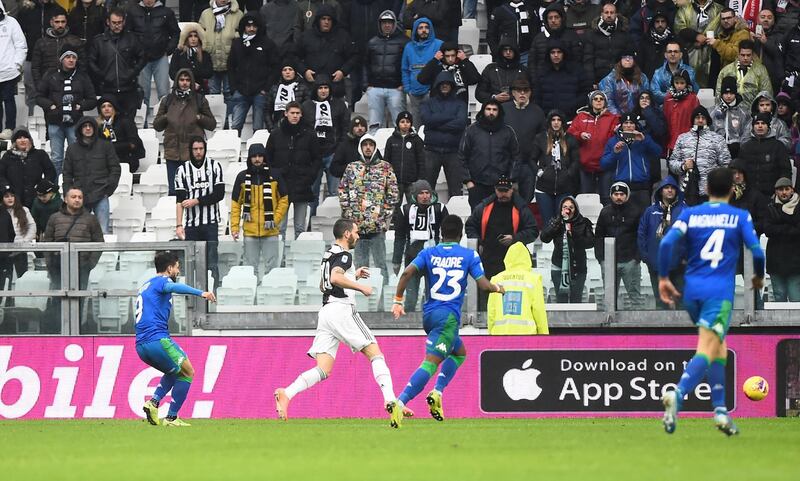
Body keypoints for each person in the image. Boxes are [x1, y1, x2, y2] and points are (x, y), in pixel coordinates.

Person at [659, 167, 765, 436]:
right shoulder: (739, 216)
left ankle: (720, 411)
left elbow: (665, 244)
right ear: (732, 189)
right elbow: (756, 250)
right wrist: (758, 277)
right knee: (707, 347)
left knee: (718, 346)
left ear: (706, 190)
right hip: (719, 294)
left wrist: (662, 277)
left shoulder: (691, 214)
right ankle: (678, 393)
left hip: (692, 293)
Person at [274, 218, 404, 427]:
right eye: (356, 232)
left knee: (323, 369)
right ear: (346, 234)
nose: (358, 236)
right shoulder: (344, 255)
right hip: (342, 310)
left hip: (326, 312)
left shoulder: (329, 253)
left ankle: (286, 393)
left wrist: (353, 275)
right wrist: (360, 287)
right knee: (375, 354)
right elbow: (335, 278)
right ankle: (391, 400)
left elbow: (324, 283)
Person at [392, 214, 505, 421]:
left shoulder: (428, 252)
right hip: (448, 318)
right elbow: (484, 285)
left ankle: (437, 392)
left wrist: (398, 300)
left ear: (441, 234)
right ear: (461, 234)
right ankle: (400, 403)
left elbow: (407, 273)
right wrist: (499, 288)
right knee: (431, 363)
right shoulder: (468, 255)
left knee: (459, 352)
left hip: (430, 315)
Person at [138, 250, 217, 427]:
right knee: (188, 371)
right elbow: (173, 287)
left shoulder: (146, 284)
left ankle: (154, 402)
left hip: (141, 345)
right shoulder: (163, 281)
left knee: (175, 371)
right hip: (157, 339)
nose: (178, 272)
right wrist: (200, 293)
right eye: (177, 268)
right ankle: (172, 418)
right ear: (169, 268)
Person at [465, 176, 538, 309]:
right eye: (500, 190)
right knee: (486, 296)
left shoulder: (521, 207)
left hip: (513, 262)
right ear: (495, 190)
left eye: (506, 190)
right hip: (488, 259)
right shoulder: (484, 206)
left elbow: (533, 230)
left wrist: (514, 238)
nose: (503, 194)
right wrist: (478, 243)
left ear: (512, 190)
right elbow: (470, 225)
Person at [338, 134, 398, 275]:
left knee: (380, 264)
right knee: (360, 265)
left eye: (371, 145)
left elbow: (393, 193)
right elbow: (342, 190)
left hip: (377, 226)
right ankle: (362, 294)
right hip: (357, 226)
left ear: (375, 147)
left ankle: (382, 295)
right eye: (365, 145)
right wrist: (349, 213)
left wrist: (384, 217)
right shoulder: (352, 167)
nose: (368, 148)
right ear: (360, 147)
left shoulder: (385, 167)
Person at [153, 68, 217, 196]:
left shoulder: (199, 99)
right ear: (177, 81)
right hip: (172, 152)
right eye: (182, 80)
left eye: (188, 80)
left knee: (193, 191)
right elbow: (157, 126)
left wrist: (199, 117)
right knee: (174, 192)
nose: (184, 83)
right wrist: (167, 116)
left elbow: (212, 124)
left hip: (192, 153)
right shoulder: (167, 100)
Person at [230, 144, 288, 280]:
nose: (257, 159)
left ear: (264, 157)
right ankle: (252, 298)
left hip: (271, 230)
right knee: (250, 269)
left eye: (260, 156)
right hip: (250, 232)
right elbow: (235, 204)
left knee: (272, 269)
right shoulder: (242, 177)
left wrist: (275, 218)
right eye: (254, 156)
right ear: (249, 158)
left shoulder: (275, 175)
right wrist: (234, 227)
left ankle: (271, 296)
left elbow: (284, 199)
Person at [35, 48, 96, 175]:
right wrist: (50, 106)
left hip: (75, 123)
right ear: (61, 59)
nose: (71, 60)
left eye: (74, 57)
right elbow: (39, 96)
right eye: (68, 57)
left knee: (77, 158)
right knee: (56, 158)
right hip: (55, 122)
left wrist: (80, 106)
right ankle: (55, 190)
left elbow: (92, 99)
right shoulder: (50, 74)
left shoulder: (82, 76)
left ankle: (77, 189)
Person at [265, 101, 320, 239]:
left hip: (302, 185)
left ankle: (298, 260)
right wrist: (275, 177)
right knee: (280, 228)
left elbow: (317, 159)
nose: (295, 116)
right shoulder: (275, 134)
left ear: (301, 114)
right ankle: (280, 259)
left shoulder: (310, 134)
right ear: (285, 113)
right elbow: (268, 158)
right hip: (281, 186)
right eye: (292, 113)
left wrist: (309, 178)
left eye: (297, 113)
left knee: (300, 229)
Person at [175, 136, 225, 285]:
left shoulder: (215, 166)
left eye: (201, 149)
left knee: (211, 261)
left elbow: (219, 194)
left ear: (205, 149)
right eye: (195, 149)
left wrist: (196, 201)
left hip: (210, 223)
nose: (198, 152)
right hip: (191, 224)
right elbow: (179, 200)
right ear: (191, 150)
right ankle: (193, 293)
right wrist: (179, 225)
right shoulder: (182, 170)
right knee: (192, 261)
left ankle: (213, 291)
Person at [392, 179, 447, 312]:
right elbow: (399, 237)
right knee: (411, 295)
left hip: (434, 258)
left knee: (433, 293)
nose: (425, 196)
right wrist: (396, 260)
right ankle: (409, 320)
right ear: (415, 195)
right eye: (421, 193)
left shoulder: (440, 208)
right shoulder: (405, 210)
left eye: (427, 193)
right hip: (413, 257)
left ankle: (432, 318)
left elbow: (447, 233)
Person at [62, 117, 121, 233]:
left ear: (95, 129)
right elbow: (67, 174)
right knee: (79, 232)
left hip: (101, 193)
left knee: (103, 231)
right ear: (80, 129)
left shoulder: (106, 146)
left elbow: (115, 168)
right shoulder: (72, 149)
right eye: (85, 126)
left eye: (90, 126)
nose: (88, 128)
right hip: (79, 196)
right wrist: (68, 193)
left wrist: (108, 189)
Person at [128, 0, 180, 127]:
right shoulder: (132, 11)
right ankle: (142, 124)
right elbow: (128, 34)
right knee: (142, 94)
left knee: (164, 93)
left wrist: (168, 50)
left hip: (160, 57)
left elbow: (175, 32)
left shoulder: (166, 12)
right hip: (141, 59)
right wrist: (134, 52)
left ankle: (166, 124)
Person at [460, 100, 521, 209]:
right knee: (478, 220)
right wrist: (468, 181)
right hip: (477, 184)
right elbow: (462, 156)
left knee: (500, 220)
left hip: (501, 185)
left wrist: (511, 180)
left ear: (499, 112)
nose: (491, 112)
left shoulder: (508, 131)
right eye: (488, 109)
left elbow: (516, 157)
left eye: (494, 109)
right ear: (483, 111)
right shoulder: (471, 131)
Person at [637, 176, 686, 309]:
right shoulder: (650, 211)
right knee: (661, 303)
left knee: (681, 302)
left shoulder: (684, 211)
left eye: (672, 188)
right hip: (656, 264)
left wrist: (686, 257)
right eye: (666, 188)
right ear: (660, 191)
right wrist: (646, 257)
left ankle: (684, 329)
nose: (670, 190)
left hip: (679, 265)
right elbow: (641, 234)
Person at [301, 75, 348, 214]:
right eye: (320, 88)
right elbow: (303, 129)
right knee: (312, 193)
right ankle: (309, 224)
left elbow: (345, 128)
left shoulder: (339, 105)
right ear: (315, 89)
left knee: (334, 193)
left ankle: (335, 224)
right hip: (313, 155)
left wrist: (339, 149)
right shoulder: (306, 106)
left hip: (332, 153)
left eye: (326, 88)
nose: (323, 91)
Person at [42, 187, 103, 293]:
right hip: (58, 266)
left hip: (82, 266)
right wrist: (50, 264)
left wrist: (89, 264)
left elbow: (99, 243)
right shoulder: (54, 218)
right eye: (73, 197)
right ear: (66, 199)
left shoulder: (91, 219)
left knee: (79, 299)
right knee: (58, 299)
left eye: (80, 197)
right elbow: (47, 243)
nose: (77, 200)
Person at [87, 8, 146, 118]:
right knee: (109, 125)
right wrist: (102, 76)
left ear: (124, 22)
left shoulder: (132, 38)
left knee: (128, 125)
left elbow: (143, 57)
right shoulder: (99, 41)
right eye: (114, 23)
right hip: (108, 88)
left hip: (129, 88)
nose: (117, 25)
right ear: (108, 22)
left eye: (119, 22)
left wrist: (133, 72)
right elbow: (91, 61)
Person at [595, 182, 644, 310]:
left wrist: (636, 259)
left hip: (630, 261)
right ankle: (610, 328)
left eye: (622, 194)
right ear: (611, 196)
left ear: (627, 196)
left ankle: (639, 327)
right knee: (610, 299)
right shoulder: (605, 212)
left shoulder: (636, 211)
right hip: (609, 262)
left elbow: (641, 236)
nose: (618, 197)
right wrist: (601, 259)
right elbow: (598, 237)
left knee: (635, 298)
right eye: (616, 194)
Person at [669, 106, 731, 205]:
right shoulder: (682, 138)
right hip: (687, 191)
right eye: (697, 118)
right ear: (693, 120)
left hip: (709, 192)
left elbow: (726, 164)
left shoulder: (717, 139)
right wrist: (683, 166)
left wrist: (716, 181)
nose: (700, 120)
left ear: (707, 120)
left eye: (703, 118)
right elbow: (672, 163)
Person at [420, 71, 468, 200]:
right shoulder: (427, 103)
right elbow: (426, 120)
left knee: (456, 191)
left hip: (453, 152)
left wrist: (436, 123)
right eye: (442, 84)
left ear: (452, 85)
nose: (445, 86)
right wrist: (450, 118)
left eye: (447, 84)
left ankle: (455, 216)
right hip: (431, 151)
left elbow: (461, 123)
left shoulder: (460, 104)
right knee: (427, 189)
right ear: (437, 85)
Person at [227, 13, 278, 133]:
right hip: (240, 91)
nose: (251, 29)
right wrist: (234, 88)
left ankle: (258, 151)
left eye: (254, 26)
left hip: (260, 92)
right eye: (248, 26)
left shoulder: (267, 44)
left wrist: (266, 87)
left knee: (258, 127)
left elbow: (276, 67)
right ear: (244, 27)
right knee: (235, 127)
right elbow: (230, 66)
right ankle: (234, 150)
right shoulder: (237, 43)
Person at [601, 112, 661, 212]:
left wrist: (644, 140)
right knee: (623, 220)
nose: (629, 125)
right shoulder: (613, 141)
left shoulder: (644, 138)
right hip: (621, 188)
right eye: (626, 123)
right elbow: (603, 164)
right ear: (621, 125)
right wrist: (614, 153)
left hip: (642, 186)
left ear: (636, 125)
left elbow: (658, 152)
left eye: (631, 123)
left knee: (643, 218)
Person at [540, 196, 595, 303]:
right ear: (561, 209)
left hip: (578, 266)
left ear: (575, 209)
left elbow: (590, 242)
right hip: (559, 265)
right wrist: (555, 225)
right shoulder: (556, 222)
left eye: (571, 207)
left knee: (576, 299)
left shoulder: (583, 222)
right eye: (565, 207)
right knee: (561, 300)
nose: (568, 209)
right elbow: (544, 238)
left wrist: (573, 234)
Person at [294, 5, 356, 99]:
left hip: (335, 87)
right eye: (323, 19)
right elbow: (294, 56)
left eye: (329, 19)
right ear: (318, 20)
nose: (326, 22)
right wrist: (304, 71)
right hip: (311, 87)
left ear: (333, 21)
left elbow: (354, 56)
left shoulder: (343, 36)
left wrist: (343, 71)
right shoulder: (306, 36)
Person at [568, 90, 618, 206]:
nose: (599, 101)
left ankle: (606, 222)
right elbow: (570, 133)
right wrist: (580, 135)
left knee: (606, 197)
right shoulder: (581, 117)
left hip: (605, 165)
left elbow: (614, 137)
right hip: (585, 165)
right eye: (596, 99)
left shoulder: (612, 118)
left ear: (605, 102)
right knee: (586, 197)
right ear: (591, 101)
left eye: (601, 99)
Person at [486, 241, 548, 333]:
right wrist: (544, 338)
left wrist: (491, 334)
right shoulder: (533, 279)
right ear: (527, 258)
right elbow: (539, 312)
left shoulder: (496, 279)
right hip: (527, 336)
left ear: (507, 258)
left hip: (500, 335)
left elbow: (491, 312)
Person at [532, 109, 580, 228]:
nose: (556, 122)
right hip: (544, 188)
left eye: (559, 120)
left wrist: (568, 174)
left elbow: (576, 161)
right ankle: (548, 246)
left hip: (564, 188)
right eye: (553, 120)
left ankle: (562, 246)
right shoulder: (540, 138)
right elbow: (531, 159)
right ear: (549, 122)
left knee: (563, 222)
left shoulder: (570, 139)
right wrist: (539, 172)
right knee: (548, 224)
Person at [364, 10, 408, 132]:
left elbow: (407, 64)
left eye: (389, 22)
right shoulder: (372, 42)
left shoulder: (404, 42)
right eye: (384, 23)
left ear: (394, 24)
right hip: (375, 89)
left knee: (399, 124)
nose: (387, 25)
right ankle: (374, 149)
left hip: (396, 89)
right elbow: (365, 65)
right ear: (380, 24)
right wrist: (366, 85)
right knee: (374, 124)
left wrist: (403, 84)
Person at [502, 77, 544, 203]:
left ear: (530, 93)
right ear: (512, 93)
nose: (522, 93)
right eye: (518, 90)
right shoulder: (503, 110)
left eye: (525, 90)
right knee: (506, 199)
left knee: (527, 199)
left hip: (528, 164)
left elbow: (543, 139)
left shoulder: (537, 111)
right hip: (507, 164)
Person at [198, 0, 243, 113]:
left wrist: (233, 35)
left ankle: (229, 121)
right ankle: (215, 120)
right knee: (213, 93)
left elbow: (243, 35)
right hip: (211, 59)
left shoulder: (238, 14)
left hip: (230, 61)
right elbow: (200, 34)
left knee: (229, 92)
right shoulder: (206, 13)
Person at [738, 112, 793, 200]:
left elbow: (785, 170)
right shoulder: (745, 147)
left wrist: (781, 190)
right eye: (757, 123)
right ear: (753, 126)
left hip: (772, 195)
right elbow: (740, 171)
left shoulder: (778, 146)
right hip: (749, 195)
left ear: (768, 126)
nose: (760, 126)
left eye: (763, 123)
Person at [533, 40, 590, 121]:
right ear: (548, 55)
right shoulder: (542, 73)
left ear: (564, 53)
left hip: (572, 117)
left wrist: (574, 105)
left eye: (559, 52)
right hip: (548, 119)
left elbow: (585, 92)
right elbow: (537, 96)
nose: (556, 55)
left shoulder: (576, 71)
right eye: (552, 52)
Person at [763, 177, 800, 302]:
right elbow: (767, 229)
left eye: (786, 189)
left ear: (792, 190)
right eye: (780, 189)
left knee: (796, 298)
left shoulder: (798, 207)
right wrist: (789, 228)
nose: (784, 192)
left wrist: (778, 228)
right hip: (775, 261)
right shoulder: (770, 207)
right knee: (779, 298)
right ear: (776, 191)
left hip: (795, 261)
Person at [0, 129, 56, 209]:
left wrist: (42, 186)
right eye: (19, 138)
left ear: (30, 140)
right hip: (14, 199)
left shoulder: (40, 154)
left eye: (25, 137)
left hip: (36, 199)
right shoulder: (7, 156)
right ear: (14, 142)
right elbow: (1, 175)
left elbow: (51, 172)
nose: (22, 140)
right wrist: (8, 188)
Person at [401, 17, 443, 123]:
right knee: (415, 124)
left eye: (426, 27)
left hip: (431, 92)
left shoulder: (439, 45)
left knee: (431, 123)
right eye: (420, 28)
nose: (424, 30)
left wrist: (434, 89)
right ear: (415, 30)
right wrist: (408, 89)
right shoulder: (408, 47)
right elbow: (405, 69)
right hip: (414, 93)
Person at [527, 3, 582, 81]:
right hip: (543, 83)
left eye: (556, 17)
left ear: (562, 18)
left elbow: (577, 62)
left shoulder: (572, 37)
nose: (553, 20)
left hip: (567, 82)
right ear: (546, 20)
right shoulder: (538, 38)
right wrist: (535, 81)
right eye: (550, 18)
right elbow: (532, 64)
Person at [673, 0, 722, 88]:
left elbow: (723, 30)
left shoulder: (718, 9)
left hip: (713, 54)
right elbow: (679, 28)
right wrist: (695, 36)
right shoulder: (684, 9)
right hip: (690, 53)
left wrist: (705, 40)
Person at [29, 11, 83, 89]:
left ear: (66, 22)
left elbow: (82, 64)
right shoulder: (41, 42)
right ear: (51, 23)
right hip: (47, 84)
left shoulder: (75, 41)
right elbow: (35, 67)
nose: (60, 25)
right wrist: (39, 85)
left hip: (70, 83)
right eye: (57, 22)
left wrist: (78, 83)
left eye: (63, 22)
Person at [583, 3, 632, 86]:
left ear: (616, 14)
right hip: (599, 79)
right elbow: (588, 60)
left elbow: (629, 57)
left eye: (612, 12)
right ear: (602, 14)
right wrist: (591, 82)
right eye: (606, 12)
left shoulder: (624, 33)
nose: (609, 15)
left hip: (620, 79)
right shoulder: (592, 34)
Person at [715, 40, 771, 112]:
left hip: (753, 113)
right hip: (730, 112)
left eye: (748, 55)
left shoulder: (760, 70)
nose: (745, 58)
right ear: (738, 54)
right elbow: (718, 93)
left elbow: (766, 93)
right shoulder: (726, 71)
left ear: (753, 54)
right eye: (742, 55)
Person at [383, 111, 425, 204]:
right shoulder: (391, 140)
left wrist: (420, 178)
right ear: (398, 123)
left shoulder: (417, 140)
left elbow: (421, 161)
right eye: (402, 121)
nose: (405, 124)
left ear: (411, 124)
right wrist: (388, 177)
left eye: (407, 122)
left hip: (412, 181)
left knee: (413, 206)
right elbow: (386, 161)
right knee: (395, 208)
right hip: (395, 181)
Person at [96, 96, 145, 174]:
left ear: (114, 108)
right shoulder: (98, 125)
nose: (106, 109)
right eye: (103, 107)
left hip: (127, 158)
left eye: (109, 106)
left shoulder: (125, 121)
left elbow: (133, 143)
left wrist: (111, 147)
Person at [475, 36, 526, 105]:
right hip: (494, 107)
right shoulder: (490, 69)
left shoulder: (523, 70)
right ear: (501, 51)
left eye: (511, 50)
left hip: (517, 107)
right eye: (505, 50)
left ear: (515, 51)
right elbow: (479, 93)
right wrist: (494, 97)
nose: (508, 52)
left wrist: (513, 97)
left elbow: (530, 92)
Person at [0, 5, 26, 140]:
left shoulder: (11, 22)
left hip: (9, 72)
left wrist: (16, 65)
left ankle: (10, 128)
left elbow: (21, 45)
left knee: (9, 100)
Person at [598, 51, 651, 115]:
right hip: (616, 118)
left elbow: (646, 97)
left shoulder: (642, 77)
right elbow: (608, 102)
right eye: (624, 57)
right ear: (620, 60)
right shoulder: (610, 79)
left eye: (630, 57)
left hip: (639, 116)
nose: (628, 59)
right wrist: (620, 118)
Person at [710, 76, 750, 158]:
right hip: (717, 150)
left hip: (737, 151)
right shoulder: (713, 112)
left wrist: (740, 146)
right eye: (726, 93)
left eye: (731, 93)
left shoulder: (743, 113)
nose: (728, 96)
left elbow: (747, 132)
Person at [650, 40, 700, 105]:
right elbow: (655, 93)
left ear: (680, 55)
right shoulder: (658, 73)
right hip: (663, 110)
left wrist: (673, 95)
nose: (672, 54)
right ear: (665, 55)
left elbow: (694, 92)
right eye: (670, 51)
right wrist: (674, 95)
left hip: (685, 108)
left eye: (675, 52)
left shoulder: (689, 71)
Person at [168, 22, 214, 94]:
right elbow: (172, 73)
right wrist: (188, 82)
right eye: (190, 36)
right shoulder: (178, 53)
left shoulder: (205, 54)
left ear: (199, 38)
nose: (193, 39)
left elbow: (209, 72)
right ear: (186, 38)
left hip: (200, 89)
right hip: (181, 89)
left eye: (196, 36)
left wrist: (191, 73)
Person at [265, 63, 311, 132]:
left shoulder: (303, 88)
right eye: (284, 70)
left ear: (295, 72)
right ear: (281, 73)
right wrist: (271, 128)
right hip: (278, 128)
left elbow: (308, 110)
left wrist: (303, 127)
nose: (287, 72)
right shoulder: (274, 88)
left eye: (290, 69)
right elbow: (267, 110)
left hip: (298, 128)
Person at [663, 69, 699, 152]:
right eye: (676, 83)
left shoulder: (693, 99)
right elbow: (665, 119)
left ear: (687, 83)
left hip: (687, 141)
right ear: (673, 83)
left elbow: (696, 119)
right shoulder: (668, 98)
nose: (679, 86)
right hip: (670, 141)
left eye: (682, 83)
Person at [752, 9, 784, 95]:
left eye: (769, 18)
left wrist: (766, 42)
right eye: (763, 17)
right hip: (755, 78)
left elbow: (780, 55)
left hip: (773, 79)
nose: (766, 19)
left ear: (773, 22)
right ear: (758, 20)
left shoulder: (780, 36)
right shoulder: (751, 36)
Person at [636, 10, 674, 79]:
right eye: (657, 21)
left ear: (667, 23)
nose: (660, 24)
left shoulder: (673, 39)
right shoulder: (645, 40)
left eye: (663, 21)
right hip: (648, 80)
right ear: (653, 23)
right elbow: (639, 64)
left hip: (670, 82)